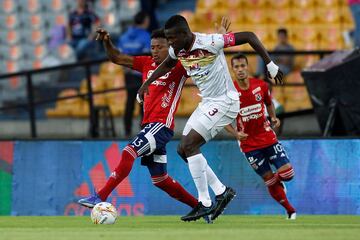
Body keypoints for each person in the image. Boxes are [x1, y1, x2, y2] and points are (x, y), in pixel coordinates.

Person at [137, 15, 284, 222]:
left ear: (184, 34)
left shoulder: (210, 42)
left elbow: (249, 36)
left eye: (172, 38)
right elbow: (167, 65)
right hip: (207, 102)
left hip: (226, 102)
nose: (170, 43)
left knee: (189, 145)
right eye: (168, 40)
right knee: (182, 150)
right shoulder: (177, 50)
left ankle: (204, 202)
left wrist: (270, 64)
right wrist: (147, 84)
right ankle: (221, 191)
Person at [78, 24, 230, 223]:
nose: (155, 51)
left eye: (160, 47)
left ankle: (101, 195)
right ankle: (201, 209)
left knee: (128, 152)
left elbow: (200, 56)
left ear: (170, 47)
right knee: (161, 180)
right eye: (152, 47)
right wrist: (107, 41)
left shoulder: (178, 65)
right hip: (149, 126)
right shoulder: (145, 63)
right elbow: (116, 57)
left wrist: (218, 39)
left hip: (161, 126)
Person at [225, 53, 296, 220]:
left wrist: (273, 118)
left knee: (288, 175)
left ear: (247, 67)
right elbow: (222, 121)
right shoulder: (230, 94)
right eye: (237, 67)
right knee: (268, 180)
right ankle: (290, 210)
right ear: (232, 70)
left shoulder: (261, 86)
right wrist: (236, 133)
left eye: (243, 66)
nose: (241, 70)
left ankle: (278, 181)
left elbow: (269, 102)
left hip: (267, 137)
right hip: (248, 145)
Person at [117, 11, 151, 138]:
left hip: (128, 74)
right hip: (141, 75)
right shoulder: (146, 37)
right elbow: (147, 56)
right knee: (143, 102)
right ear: (145, 21)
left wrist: (127, 68)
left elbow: (119, 56)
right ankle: (144, 131)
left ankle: (127, 131)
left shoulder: (124, 37)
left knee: (130, 102)